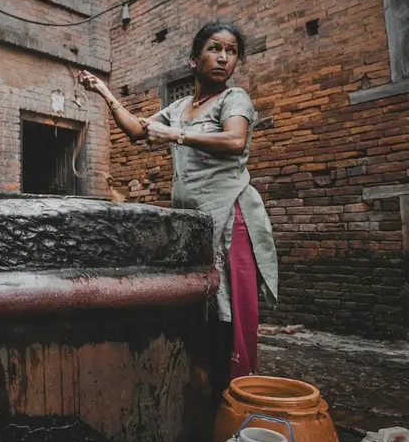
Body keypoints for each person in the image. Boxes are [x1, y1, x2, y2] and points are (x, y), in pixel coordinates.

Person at [77, 21, 278, 383]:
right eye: (215, 49)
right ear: (193, 59)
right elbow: (138, 130)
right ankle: (201, 381)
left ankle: (232, 391)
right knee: (199, 304)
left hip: (228, 219)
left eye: (231, 52)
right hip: (191, 221)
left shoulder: (234, 99)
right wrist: (105, 92)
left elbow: (234, 140)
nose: (223, 58)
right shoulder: (182, 106)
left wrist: (177, 135)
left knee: (228, 309)